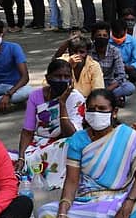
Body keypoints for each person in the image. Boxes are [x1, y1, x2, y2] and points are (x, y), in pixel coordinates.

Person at [38, 89, 136, 218]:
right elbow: (72, 181)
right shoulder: (78, 140)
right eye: (91, 109)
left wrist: (128, 205)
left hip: (122, 197)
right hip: (89, 201)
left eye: (102, 109)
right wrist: (63, 213)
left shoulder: (128, 136)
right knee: (46, 213)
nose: (96, 113)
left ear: (114, 112)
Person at [16, 59, 85, 189]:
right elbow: (28, 131)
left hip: (62, 142)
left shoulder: (76, 98)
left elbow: (72, 134)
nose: (63, 80)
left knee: (71, 144)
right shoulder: (35, 96)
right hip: (40, 142)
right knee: (14, 160)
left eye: (66, 77)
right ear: (48, 78)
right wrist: (21, 157)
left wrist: (62, 103)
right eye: (58, 76)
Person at [89, 21, 135, 103]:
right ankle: (111, 99)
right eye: (99, 35)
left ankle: (104, 97)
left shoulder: (114, 51)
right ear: (93, 37)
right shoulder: (88, 50)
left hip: (110, 84)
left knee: (129, 87)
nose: (102, 38)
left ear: (108, 37)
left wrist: (107, 90)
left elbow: (121, 74)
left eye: (104, 35)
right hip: (92, 83)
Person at [110, 19, 136, 83]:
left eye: (121, 35)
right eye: (116, 35)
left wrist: (131, 67)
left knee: (134, 75)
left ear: (126, 31)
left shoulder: (133, 41)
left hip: (127, 68)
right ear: (112, 31)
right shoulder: (108, 41)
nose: (119, 38)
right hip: (111, 68)